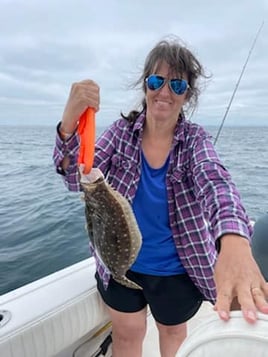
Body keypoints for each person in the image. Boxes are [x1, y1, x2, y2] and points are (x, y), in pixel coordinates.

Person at [53, 36, 268, 357]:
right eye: (157, 81)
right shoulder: (120, 133)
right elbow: (75, 179)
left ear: (188, 94)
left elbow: (216, 181)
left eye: (177, 85)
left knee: (172, 334)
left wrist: (234, 240)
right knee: (126, 334)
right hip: (119, 264)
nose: (165, 92)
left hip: (177, 270)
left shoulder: (195, 141)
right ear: (145, 85)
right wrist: (69, 125)